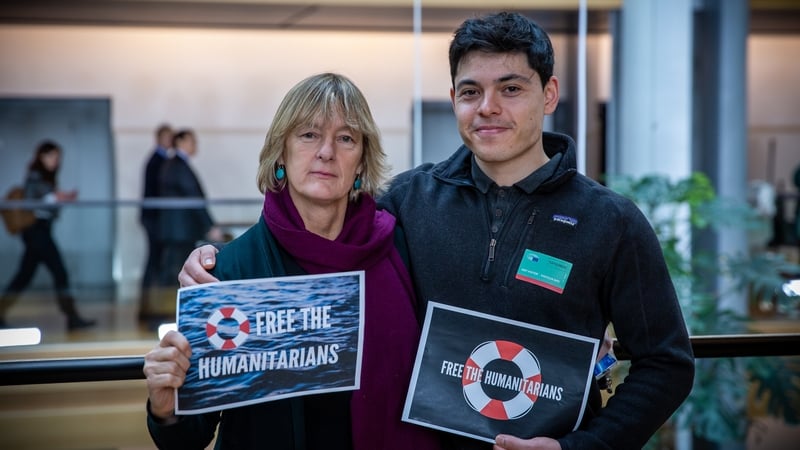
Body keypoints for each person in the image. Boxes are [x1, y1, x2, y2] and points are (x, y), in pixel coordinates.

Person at [179, 12, 696, 450]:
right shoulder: (406, 202)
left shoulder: (612, 222)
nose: (488, 107)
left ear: (549, 94)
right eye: (471, 91)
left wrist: (581, 448)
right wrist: (216, 262)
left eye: (510, 89)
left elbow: (666, 364)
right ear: (453, 99)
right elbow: (317, 238)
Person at [143, 73, 441, 450]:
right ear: (280, 152)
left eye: (346, 138)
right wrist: (166, 409)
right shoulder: (231, 269)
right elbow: (191, 435)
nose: (327, 152)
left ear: (362, 161)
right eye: (309, 135)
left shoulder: (400, 246)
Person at [0, 140, 95, 330]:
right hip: (37, 231)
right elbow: (32, 199)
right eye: (51, 156)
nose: (55, 161)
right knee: (59, 272)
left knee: (24, 276)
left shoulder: (46, 176)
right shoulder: (35, 174)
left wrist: (59, 198)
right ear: (41, 156)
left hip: (41, 230)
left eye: (57, 157)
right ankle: (72, 317)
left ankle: (72, 317)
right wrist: (55, 197)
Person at [157, 128, 222, 290]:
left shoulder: (174, 164)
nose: (195, 145)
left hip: (177, 230)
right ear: (180, 142)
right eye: (192, 141)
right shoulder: (178, 165)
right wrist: (209, 225)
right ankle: (170, 310)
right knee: (176, 272)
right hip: (180, 231)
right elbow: (194, 198)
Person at [138, 123, 173, 322]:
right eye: (167, 137)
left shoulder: (160, 160)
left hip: (154, 219)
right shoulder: (157, 161)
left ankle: (149, 308)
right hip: (154, 220)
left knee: (155, 263)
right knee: (154, 264)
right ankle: (149, 309)